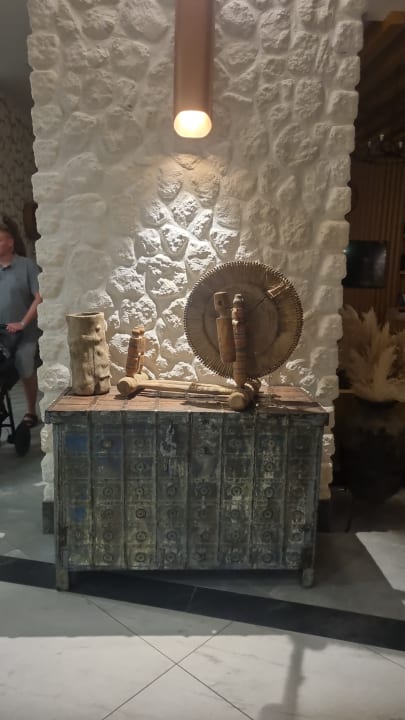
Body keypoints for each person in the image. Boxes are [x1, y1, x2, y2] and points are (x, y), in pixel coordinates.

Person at [0, 214, 42, 428]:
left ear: (10, 243)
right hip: (1, 333)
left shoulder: (27, 266)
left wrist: (23, 323)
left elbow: (39, 298)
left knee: (25, 366)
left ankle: (30, 412)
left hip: (24, 333)